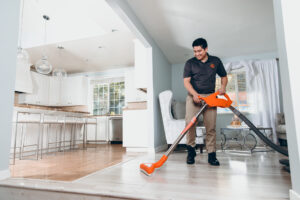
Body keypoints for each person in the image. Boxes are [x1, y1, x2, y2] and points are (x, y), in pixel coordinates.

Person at [183, 38, 228, 166]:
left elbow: (224, 77)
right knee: (189, 123)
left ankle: (211, 155)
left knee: (211, 126)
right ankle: (191, 151)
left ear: (206, 49)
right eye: (195, 51)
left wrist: (223, 87)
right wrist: (194, 94)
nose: (197, 54)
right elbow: (186, 81)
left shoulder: (215, 61)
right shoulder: (189, 63)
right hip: (194, 96)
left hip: (211, 97)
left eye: (199, 51)